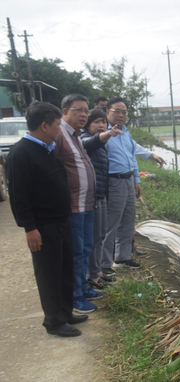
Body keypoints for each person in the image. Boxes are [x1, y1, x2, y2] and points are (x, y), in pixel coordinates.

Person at [6, 102, 88, 337]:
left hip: (62, 220)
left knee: (65, 268)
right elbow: (19, 196)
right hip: (43, 225)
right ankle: (54, 321)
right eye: (56, 126)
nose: (59, 130)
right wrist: (30, 228)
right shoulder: (21, 154)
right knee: (49, 273)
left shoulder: (47, 148)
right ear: (44, 126)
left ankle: (65, 311)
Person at [54, 94, 103, 314]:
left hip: (86, 203)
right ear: (65, 112)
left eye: (85, 110)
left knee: (84, 248)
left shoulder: (74, 135)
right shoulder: (58, 135)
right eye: (78, 110)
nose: (83, 115)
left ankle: (83, 288)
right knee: (76, 251)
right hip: (73, 205)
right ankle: (75, 297)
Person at [101, 97, 143, 269]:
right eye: (116, 111)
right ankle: (103, 265)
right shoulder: (103, 133)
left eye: (124, 112)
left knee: (128, 220)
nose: (121, 115)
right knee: (111, 224)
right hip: (114, 181)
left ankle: (122, 257)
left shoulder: (126, 133)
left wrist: (137, 179)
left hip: (128, 179)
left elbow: (131, 157)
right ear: (107, 112)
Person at [81, 107, 120, 288]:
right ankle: (92, 276)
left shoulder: (101, 143)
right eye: (96, 122)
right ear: (88, 124)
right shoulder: (83, 138)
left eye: (103, 122)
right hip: (92, 197)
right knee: (94, 238)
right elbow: (90, 143)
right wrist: (109, 133)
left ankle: (97, 272)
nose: (100, 125)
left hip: (101, 195)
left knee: (101, 235)